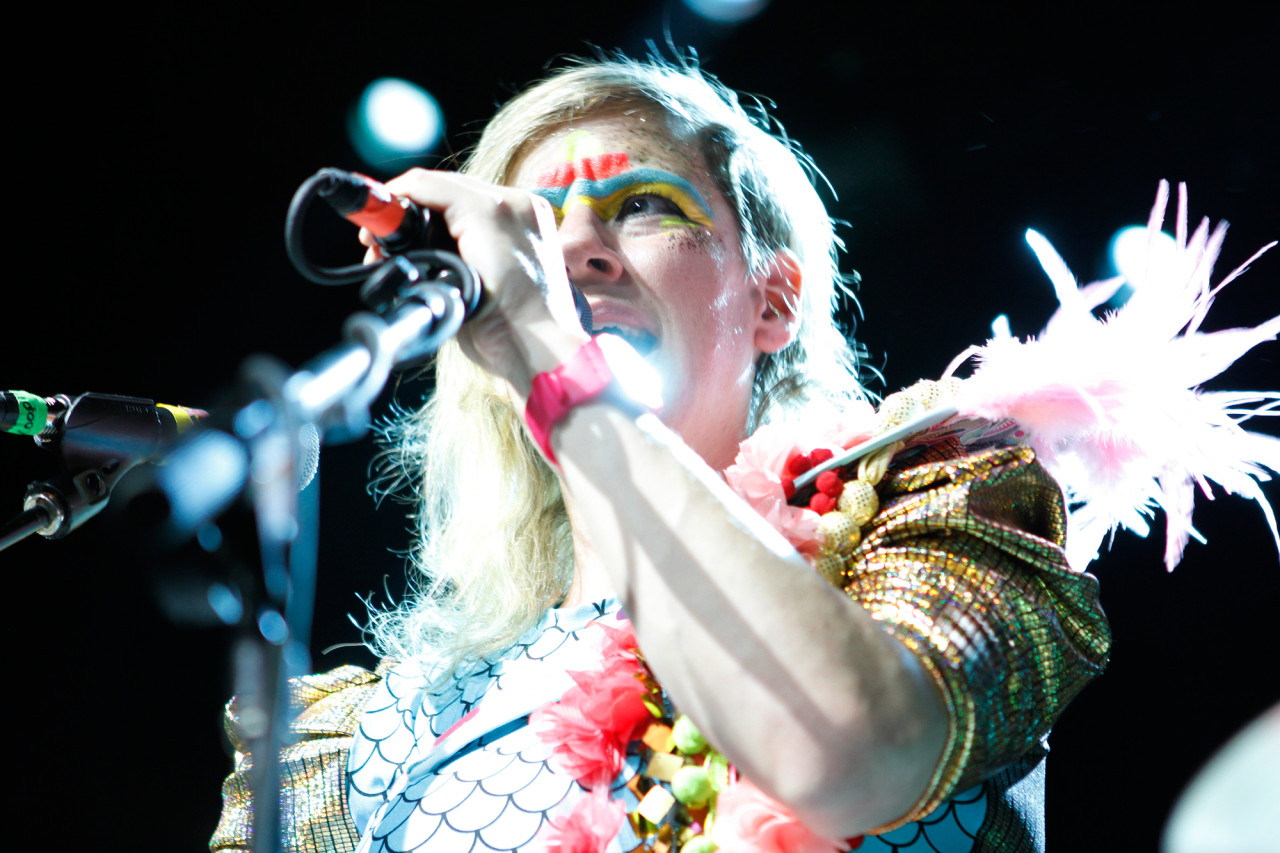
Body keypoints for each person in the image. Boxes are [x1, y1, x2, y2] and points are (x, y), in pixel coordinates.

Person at [212, 54, 1110, 853]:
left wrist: (550, 340)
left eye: (641, 205)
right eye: (536, 228)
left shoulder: (936, 504)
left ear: (773, 300)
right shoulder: (361, 743)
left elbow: (847, 752)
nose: (573, 252)